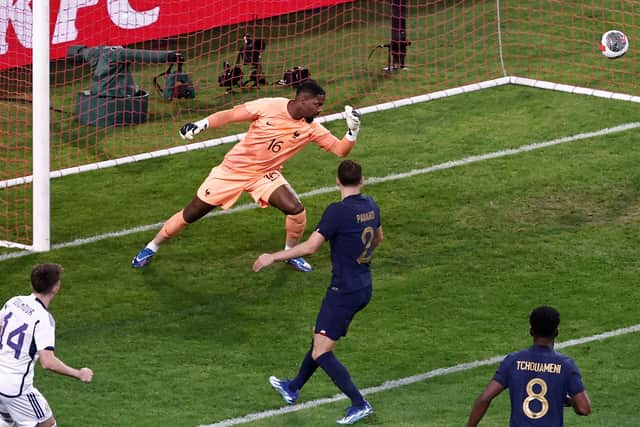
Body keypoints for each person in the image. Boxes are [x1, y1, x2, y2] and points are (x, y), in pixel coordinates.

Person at [132, 79, 362, 272]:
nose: (320, 109)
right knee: (192, 213)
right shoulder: (269, 106)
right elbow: (231, 115)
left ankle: (289, 253)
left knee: (296, 210)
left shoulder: (311, 127)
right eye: (317, 104)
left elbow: (340, 150)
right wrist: (201, 124)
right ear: (302, 100)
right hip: (232, 171)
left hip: (264, 174)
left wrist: (352, 131)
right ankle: (152, 246)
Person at [253, 159, 383, 425]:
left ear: (337, 181)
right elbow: (378, 238)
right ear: (362, 180)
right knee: (319, 335)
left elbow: (311, 247)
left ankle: (359, 404)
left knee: (322, 351)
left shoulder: (337, 211)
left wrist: (274, 257)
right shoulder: (371, 205)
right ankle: (293, 387)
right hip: (363, 284)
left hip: (343, 290)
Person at [0, 263, 93, 427]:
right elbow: (48, 362)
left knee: (4, 419)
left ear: (32, 283)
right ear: (55, 288)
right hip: (16, 389)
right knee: (47, 424)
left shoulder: (14, 301)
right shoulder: (43, 319)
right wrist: (79, 373)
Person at [467, 306, 591, 427]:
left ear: (531, 331)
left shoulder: (513, 361)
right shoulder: (566, 365)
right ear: (556, 332)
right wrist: (570, 401)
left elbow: (484, 398)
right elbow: (584, 408)